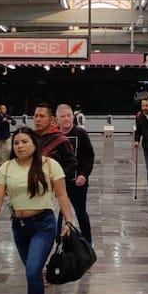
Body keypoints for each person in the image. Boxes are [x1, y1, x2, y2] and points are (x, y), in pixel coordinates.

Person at [0, 127, 76, 294]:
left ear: (35, 144)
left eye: (25, 142)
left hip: (43, 225)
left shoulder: (50, 165)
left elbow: (62, 196)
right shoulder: (6, 168)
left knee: (33, 269)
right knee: (33, 273)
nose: (20, 146)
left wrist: (68, 221)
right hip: (19, 227)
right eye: (16, 143)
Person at [57, 104, 95, 244]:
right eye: (63, 116)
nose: (66, 119)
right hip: (59, 182)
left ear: (73, 117)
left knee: (81, 212)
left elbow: (90, 156)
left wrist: (84, 174)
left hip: (78, 182)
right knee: (58, 214)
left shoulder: (80, 133)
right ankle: (57, 240)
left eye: (69, 116)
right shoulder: (54, 135)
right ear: (57, 119)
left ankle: (87, 242)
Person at [32, 103, 78, 180]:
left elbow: (72, 164)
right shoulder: (29, 138)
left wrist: (56, 177)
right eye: (36, 116)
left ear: (51, 119)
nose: (38, 119)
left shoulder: (60, 140)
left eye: (42, 116)